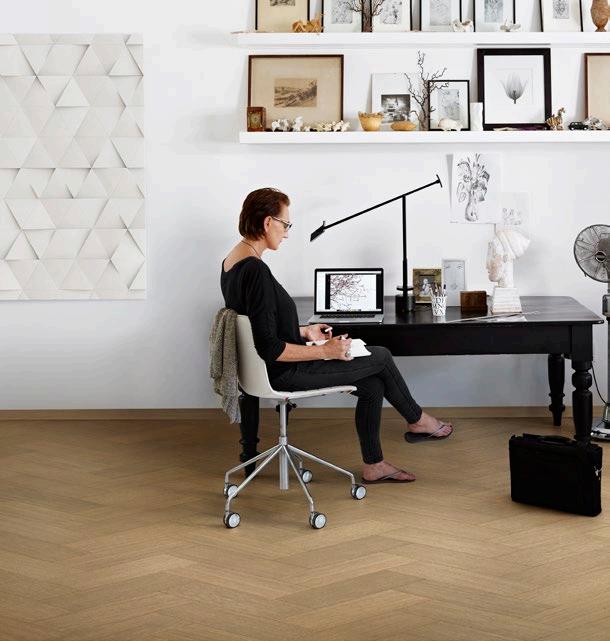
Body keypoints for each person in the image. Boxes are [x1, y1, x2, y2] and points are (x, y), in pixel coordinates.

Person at [220, 188, 453, 484]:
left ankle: (375, 464)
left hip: (266, 370)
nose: (288, 232)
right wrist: (325, 350)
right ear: (268, 222)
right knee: (381, 355)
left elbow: (259, 327)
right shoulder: (256, 271)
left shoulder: (232, 262)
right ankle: (417, 420)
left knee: (372, 385)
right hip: (284, 372)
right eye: (286, 224)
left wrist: (305, 332)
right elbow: (270, 347)